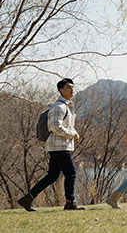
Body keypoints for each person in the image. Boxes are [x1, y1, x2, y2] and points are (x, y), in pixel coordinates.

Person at [17, 78, 84, 211]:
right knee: (71, 173)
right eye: (69, 87)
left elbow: (66, 126)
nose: (72, 89)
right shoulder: (59, 107)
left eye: (73, 87)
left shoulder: (65, 107)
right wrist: (72, 134)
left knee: (52, 176)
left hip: (59, 146)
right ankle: (70, 202)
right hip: (59, 146)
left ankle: (28, 198)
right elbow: (55, 127)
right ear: (61, 90)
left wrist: (74, 133)